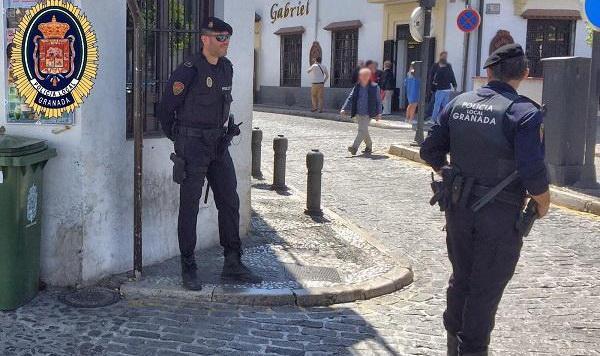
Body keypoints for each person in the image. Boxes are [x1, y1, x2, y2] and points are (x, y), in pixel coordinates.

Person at [420, 44, 551, 356]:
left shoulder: (457, 103)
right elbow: (533, 174)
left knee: (461, 277)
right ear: (524, 74)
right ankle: (473, 350)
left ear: (489, 72)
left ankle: (454, 344)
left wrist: (451, 174)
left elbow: (429, 151)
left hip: (458, 208)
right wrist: (543, 205)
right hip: (500, 217)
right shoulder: (524, 113)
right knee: (485, 288)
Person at [157, 17, 262, 291]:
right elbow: (166, 109)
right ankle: (188, 266)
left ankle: (232, 262)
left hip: (218, 145)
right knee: (189, 206)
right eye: (220, 38)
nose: (225, 42)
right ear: (205, 39)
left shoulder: (226, 68)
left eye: (228, 38)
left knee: (230, 200)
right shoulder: (188, 70)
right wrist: (181, 139)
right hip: (192, 147)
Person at [340, 68, 382, 155]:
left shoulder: (375, 87)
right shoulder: (357, 86)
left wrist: (379, 113)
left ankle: (354, 147)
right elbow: (350, 98)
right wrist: (344, 108)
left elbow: (378, 101)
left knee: (361, 130)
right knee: (364, 131)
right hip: (358, 112)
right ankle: (369, 146)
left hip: (368, 113)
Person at [430, 51, 457, 124]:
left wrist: (454, 85)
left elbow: (452, 75)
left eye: (446, 56)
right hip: (437, 88)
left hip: (444, 89)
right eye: (444, 56)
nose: (445, 57)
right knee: (435, 104)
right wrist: (431, 88)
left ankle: (437, 119)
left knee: (441, 105)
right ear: (440, 56)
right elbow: (431, 77)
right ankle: (433, 118)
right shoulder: (435, 65)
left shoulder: (448, 66)